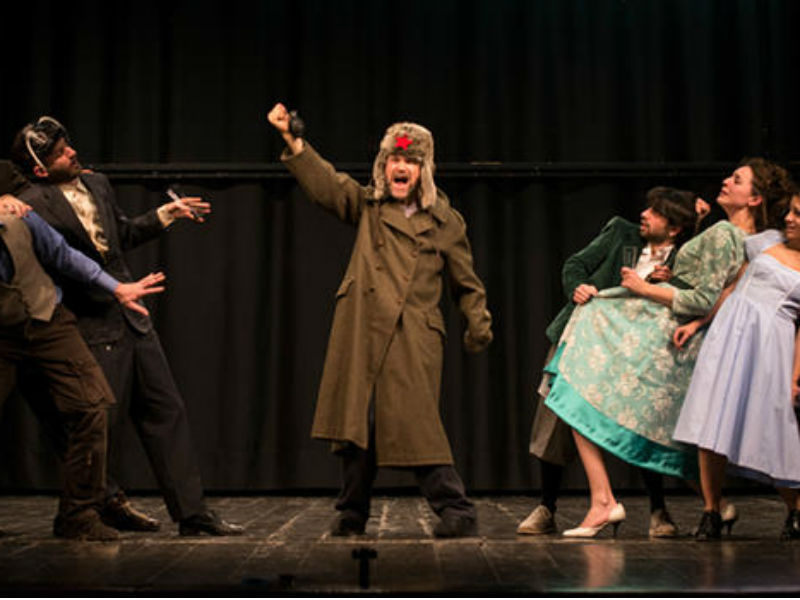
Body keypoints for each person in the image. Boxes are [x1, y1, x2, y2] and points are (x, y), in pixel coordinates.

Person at [267, 102, 493, 538]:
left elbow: (467, 282)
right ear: (383, 166)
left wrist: (477, 322)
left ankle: (456, 508)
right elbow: (328, 185)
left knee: (415, 422)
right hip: (364, 330)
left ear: (423, 170)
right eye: (394, 159)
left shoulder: (445, 222)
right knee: (358, 424)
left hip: (412, 335)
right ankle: (352, 511)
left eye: (411, 160)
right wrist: (292, 140)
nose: (400, 167)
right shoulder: (369, 207)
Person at [10, 116, 243, 536]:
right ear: (41, 169)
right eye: (60, 153)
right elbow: (58, 261)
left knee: (166, 410)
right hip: (89, 322)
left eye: (68, 145)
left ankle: (192, 514)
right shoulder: (31, 203)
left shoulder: (96, 183)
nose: (72, 153)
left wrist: (164, 215)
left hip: (132, 316)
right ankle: (101, 504)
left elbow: (122, 236)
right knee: (98, 424)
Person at [542, 158, 795, 537]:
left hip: (665, 330)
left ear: (755, 199)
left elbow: (704, 297)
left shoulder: (728, 234)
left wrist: (645, 288)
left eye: (737, 179)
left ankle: (605, 501)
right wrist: (677, 275)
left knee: (575, 387)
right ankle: (711, 505)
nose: (726, 181)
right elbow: (720, 286)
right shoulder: (744, 239)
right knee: (660, 423)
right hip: (688, 331)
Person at [519, 187, 699, 538]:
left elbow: (689, 296)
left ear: (675, 227)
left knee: (641, 420)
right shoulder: (621, 232)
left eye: (656, 212)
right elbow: (576, 264)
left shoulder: (683, 257)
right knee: (556, 414)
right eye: (647, 208)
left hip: (636, 351)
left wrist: (668, 283)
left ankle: (658, 510)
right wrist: (579, 286)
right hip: (584, 337)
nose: (644, 214)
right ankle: (546, 506)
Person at [0, 160, 164, 540]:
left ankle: (79, 513)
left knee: (92, 405)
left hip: (46, 317)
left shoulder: (20, 214)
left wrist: (116, 288)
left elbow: (63, 254)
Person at [673, 188, 800, 540]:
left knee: (772, 425)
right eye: (791, 210)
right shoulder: (767, 242)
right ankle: (711, 511)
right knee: (710, 419)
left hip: (770, 342)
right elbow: (732, 287)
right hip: (729, 331)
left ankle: (795, 509)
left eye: (798, 214)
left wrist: (795, 375)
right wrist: (698, 323)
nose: (789, 218)